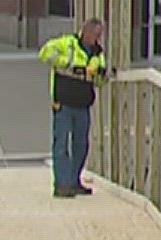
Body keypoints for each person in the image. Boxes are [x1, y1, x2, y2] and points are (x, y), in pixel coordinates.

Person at [38, 19, 109, 198]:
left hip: (82, 105)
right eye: (95, 34)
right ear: (86, 32)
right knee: (61, 144)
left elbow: (99, 81)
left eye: (100, 35)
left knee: (81, 145)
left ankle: (73, 180)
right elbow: (44, 54)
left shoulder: (97, 54)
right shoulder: (67, 44)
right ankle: (62, 184)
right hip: (63, 102)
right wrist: (66, 63)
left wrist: (100, 75)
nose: (97, 38)